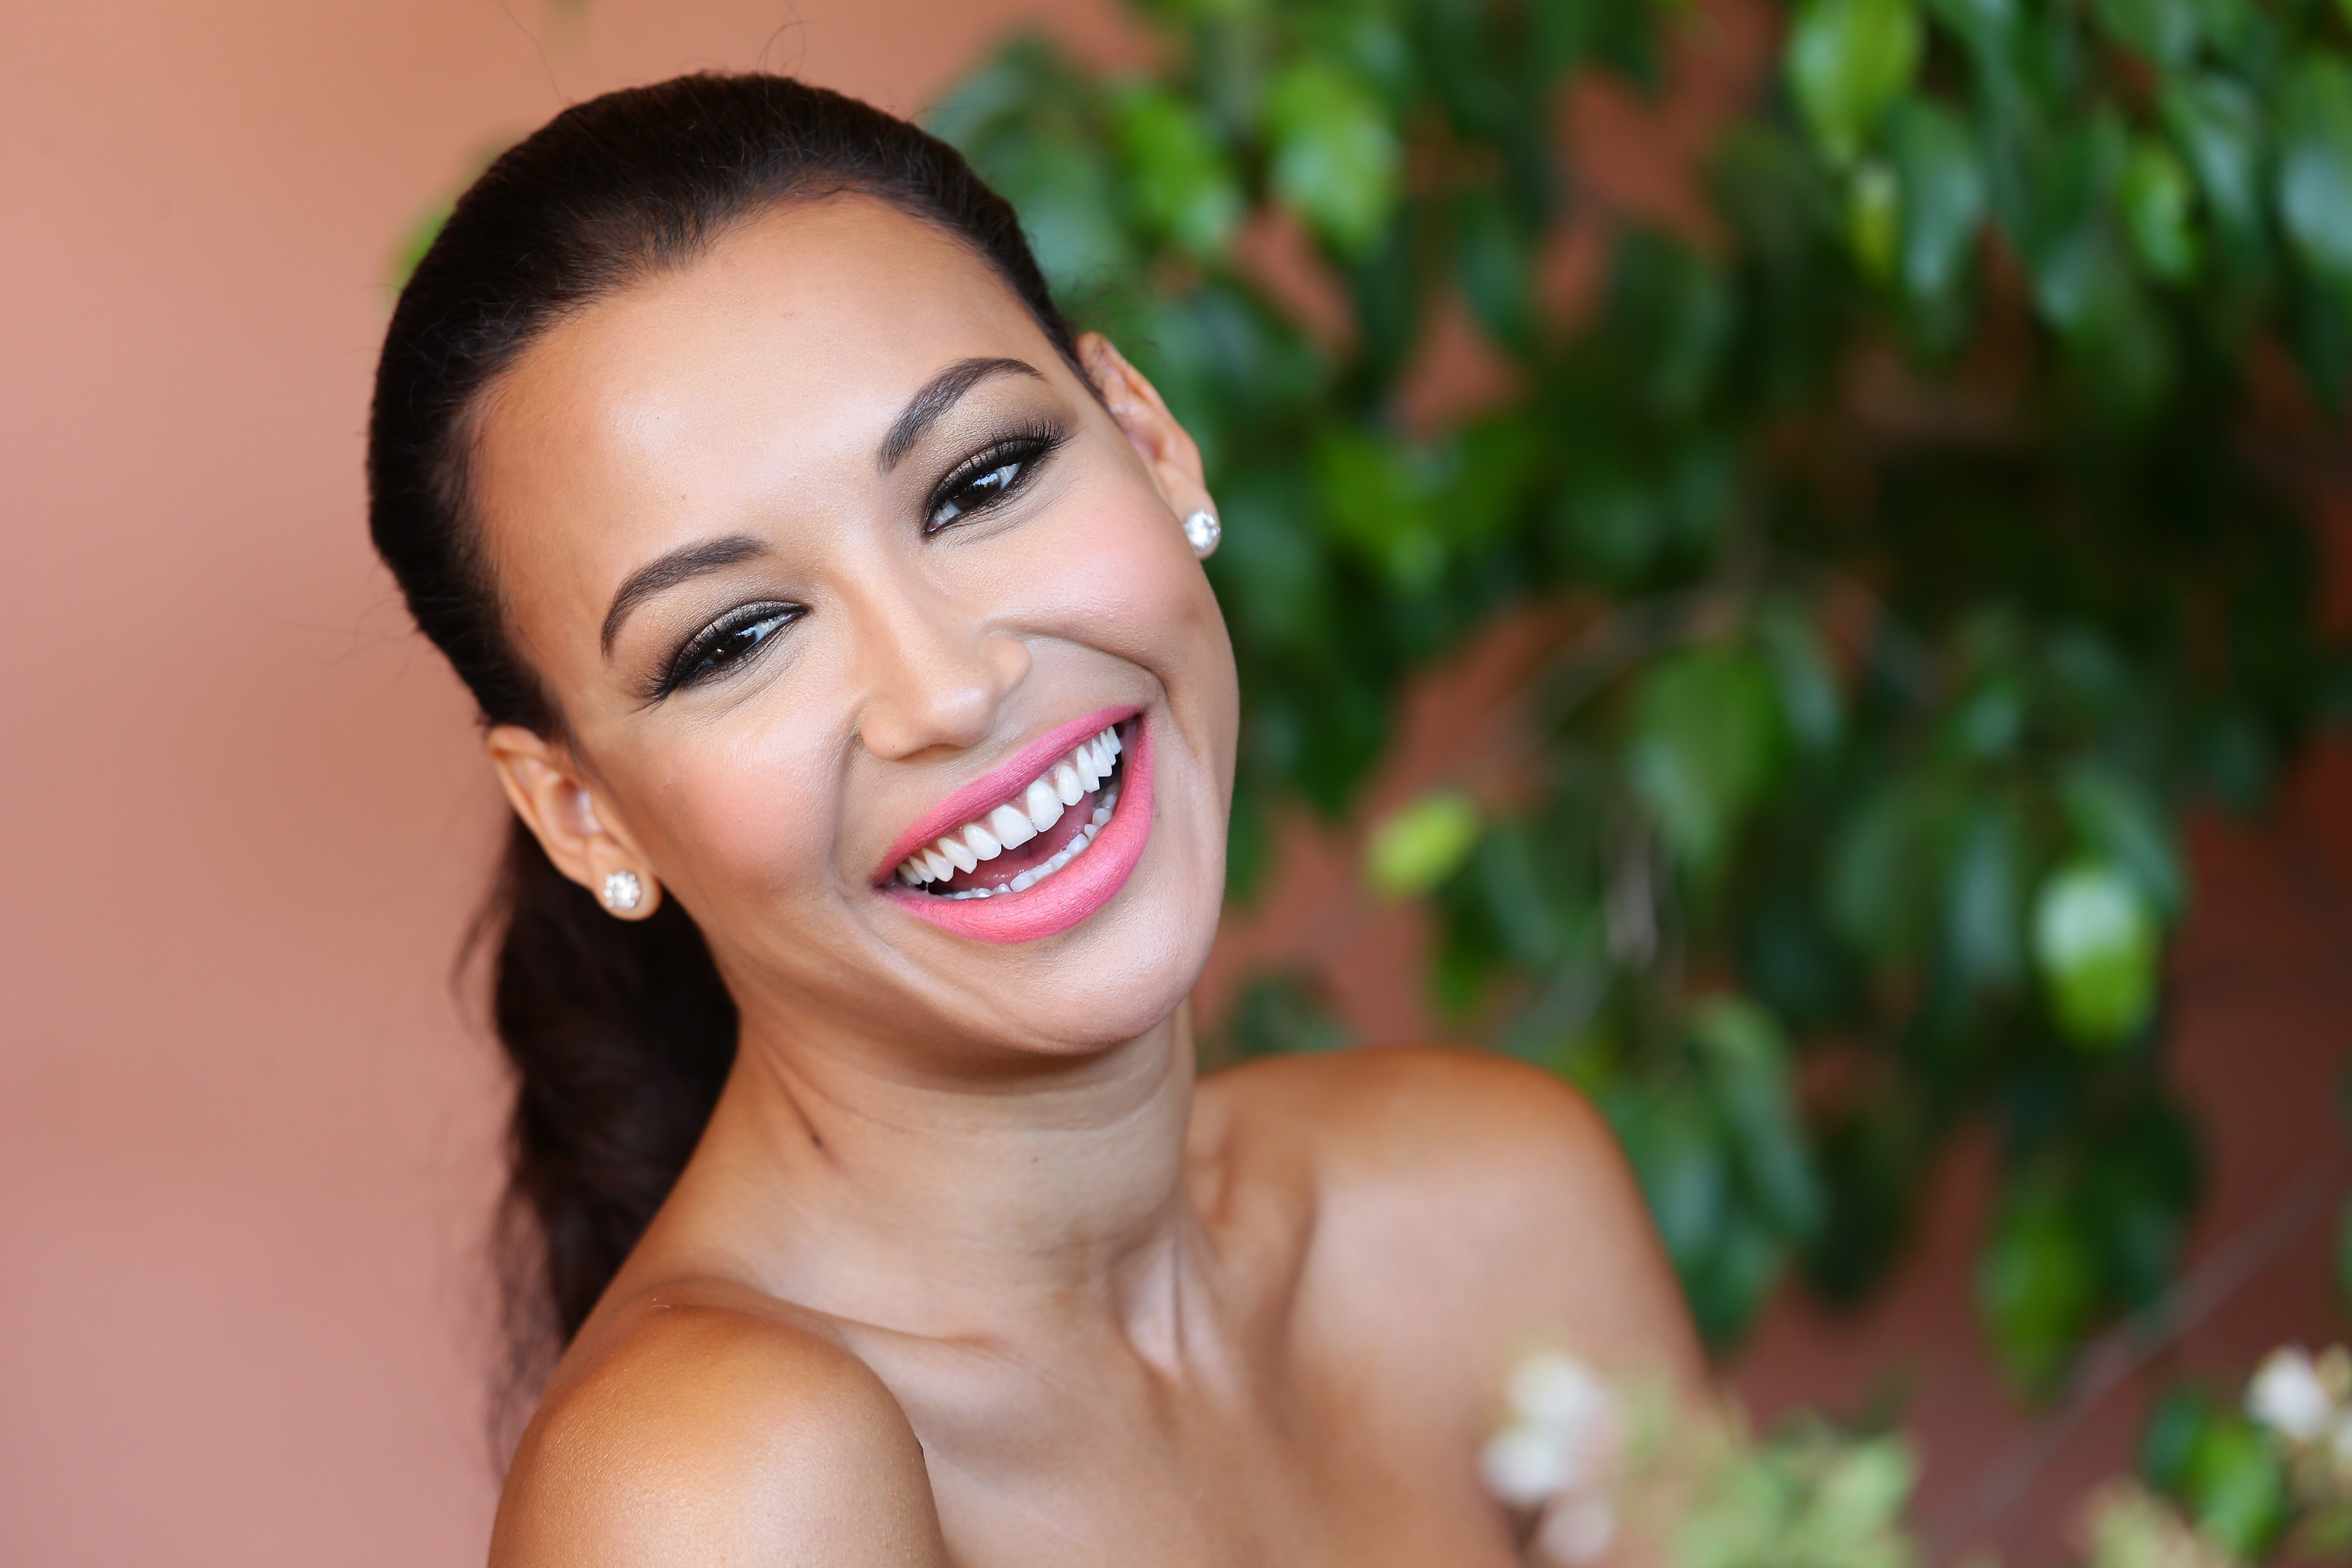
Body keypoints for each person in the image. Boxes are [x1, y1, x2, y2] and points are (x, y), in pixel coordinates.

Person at [369, 71, 1700, 1565]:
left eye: (982, 479)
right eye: (734, 639)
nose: (943, 688)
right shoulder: (717, 1492)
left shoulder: (1492, 1208)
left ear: (1148, 435)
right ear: (582, 813)